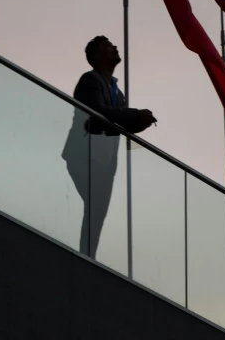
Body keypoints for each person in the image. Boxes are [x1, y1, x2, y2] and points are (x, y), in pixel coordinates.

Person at [62, 36, 156, 259]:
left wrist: (140, 122)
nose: (114, 47)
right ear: (95, 56)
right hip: (83, 153)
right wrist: (134, 115)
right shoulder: (90, 80)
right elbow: (98, 111)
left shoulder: (117, 92)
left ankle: (88, 255)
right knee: (96, 208)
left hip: (105, 158)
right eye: (107, 45)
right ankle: (87, 256)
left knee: (97, 211)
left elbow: (119, 123)